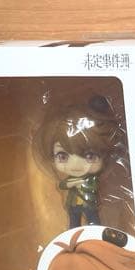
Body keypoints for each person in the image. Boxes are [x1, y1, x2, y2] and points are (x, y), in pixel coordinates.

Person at [36, 95, 122, 228]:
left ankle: (95, 237)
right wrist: (73, 183)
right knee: (73, 225)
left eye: (90, 156)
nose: (75, 165)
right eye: (63, 156)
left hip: (89, 204)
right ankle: (73, 238)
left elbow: (92, 186)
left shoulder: (92, 179)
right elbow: (62, 185)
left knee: (94, 223)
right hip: (73, 205)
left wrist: (77, 183)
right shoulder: (70, 179)